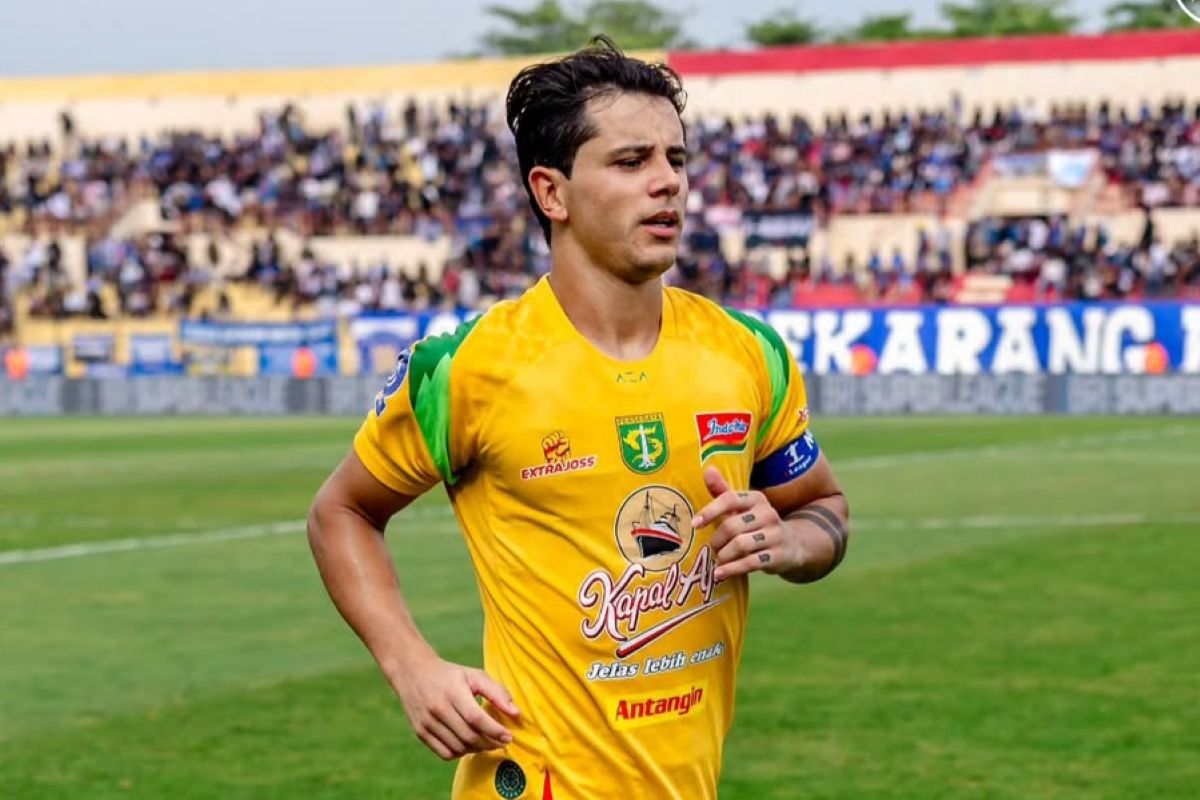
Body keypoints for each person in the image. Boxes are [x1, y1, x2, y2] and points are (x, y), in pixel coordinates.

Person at [307, 36, 851, 800]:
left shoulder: (747, 353)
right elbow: (341, 512)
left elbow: (823, 506)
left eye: (676, 159)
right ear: (551, 193)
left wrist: (790, 542)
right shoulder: (469, 367)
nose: (667, 182)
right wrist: (413, 668)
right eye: (631, 161)